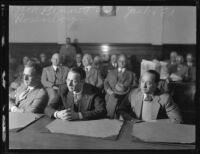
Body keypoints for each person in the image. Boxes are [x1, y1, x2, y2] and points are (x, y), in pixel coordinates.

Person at [117, 70, 183, 123]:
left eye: (148, 83)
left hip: (155, 131)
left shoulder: (165, 98)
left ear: (157, 84)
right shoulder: (133, 93)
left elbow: (177, 120)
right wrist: (131, 119)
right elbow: (121, 110)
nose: (144, 86)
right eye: (142, 82)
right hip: (134, 128)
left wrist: (152, 122)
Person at [104, 54, 138, 118]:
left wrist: (126, 89)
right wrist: (109, 91)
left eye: (124, 61)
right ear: (117, 61)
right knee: (109, 120)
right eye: (120, 61)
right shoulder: (111, 72)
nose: (122, 63)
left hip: (125, 100)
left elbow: (135, 86)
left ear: (126, 62)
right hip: (111, 99)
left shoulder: (132, 74)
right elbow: (105, 83)